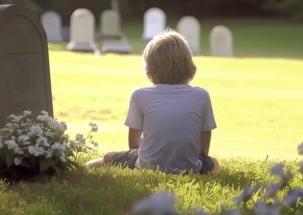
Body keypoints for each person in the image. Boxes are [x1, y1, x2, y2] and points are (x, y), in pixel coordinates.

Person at [86, 30, 221, 174]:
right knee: (214, 163)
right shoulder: (201, 95)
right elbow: (205, 136)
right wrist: (198, 158)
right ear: (189, 66)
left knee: (109, 156)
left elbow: (133, 145)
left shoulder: (139, 95)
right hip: (191, 166)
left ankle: (86, 166)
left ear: (149, 68)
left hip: (147, 165)